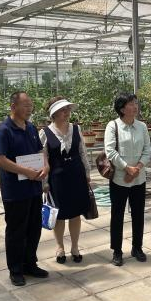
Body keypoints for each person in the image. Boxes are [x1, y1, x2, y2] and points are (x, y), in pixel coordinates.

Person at [0, 91, 49, 286]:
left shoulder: (31, 127)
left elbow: (40, 150)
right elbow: (0, 160)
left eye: (30, 105)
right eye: (25, 105)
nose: (29, 109)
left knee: (34, 228)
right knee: (16, 231)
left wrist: (46, 165)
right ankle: (15, 269)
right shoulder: (4, 130)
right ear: (13, 107)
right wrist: (25, 171)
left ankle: (30, 264)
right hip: (15, 191)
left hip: (33, 188)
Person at [39, 96, 91, 264]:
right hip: (57, 179)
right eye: (63, 110)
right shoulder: (45, 133)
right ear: (53, 114)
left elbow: (82, 152)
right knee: (59, 214)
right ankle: (60, 247)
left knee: (75, 213)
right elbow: (43, 159)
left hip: (76, 176)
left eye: (68, 109)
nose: (67, 112)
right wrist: (44, 182)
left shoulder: (76, 129)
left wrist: (87, 173)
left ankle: (75, 247)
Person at [104, 93, 151, 266]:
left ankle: (137, 247)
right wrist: (126, 168)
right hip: (119, 179)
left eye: (136, 103)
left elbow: (147, 150)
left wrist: (136, 168)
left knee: (138, 214)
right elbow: (110, 151)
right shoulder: (113, 126)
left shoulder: (142, 127)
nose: (135, 106)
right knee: (117, 215)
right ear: (122, 108)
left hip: (139, 178)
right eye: (131, 104)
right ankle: (117, 251)